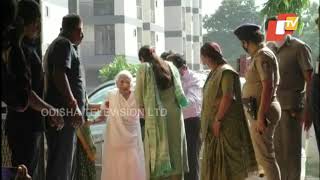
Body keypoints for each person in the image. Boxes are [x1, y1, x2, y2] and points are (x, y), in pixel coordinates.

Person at [5, 1, 64, 179]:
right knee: (25, 173)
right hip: (24, 127)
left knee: (29, 172)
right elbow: (27, 94)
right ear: (24, 22)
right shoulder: (20, 51)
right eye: (35, 21)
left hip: (30, 125)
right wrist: (50, 110)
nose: (38, 26)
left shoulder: (26, 49)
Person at [199, 42, 257, 180]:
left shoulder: (226, 72)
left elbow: (227, 96)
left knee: (229, 166)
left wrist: (218, 120)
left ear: (206, 57)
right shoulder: (213, 72)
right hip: (212, 128)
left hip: (225, 127)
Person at [265, 17, 314, 180]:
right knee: (276, 155)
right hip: (272, 111)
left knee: (291, 155)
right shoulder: (269, 48)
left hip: (292, 110)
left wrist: (308, 111)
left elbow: (310, 82)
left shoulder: (299, 48)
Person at [234, 24, 281, 180]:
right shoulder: (258, 55)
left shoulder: (262, 56)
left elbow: (268, 86)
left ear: (247, 42)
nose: (243, 46)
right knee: (263, 158)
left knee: (266, 158)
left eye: (243, 43)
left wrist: (261, 116)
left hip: (263, 111)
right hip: (259, 110)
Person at [135, 46, 189, 180]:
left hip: (157, 117)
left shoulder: (144, 68)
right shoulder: (170, 66)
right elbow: (179, 92)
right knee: (176, 152)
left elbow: (138, 98)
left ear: (142, 59)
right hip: (175, 116)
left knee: (157, 153)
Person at [43, 14, 85, 180]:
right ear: (75, 29)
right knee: (61, 167)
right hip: (64, 117)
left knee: (63, 165)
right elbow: (59, 74)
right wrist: (74, 106)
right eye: (80, 30)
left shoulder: (60, 45)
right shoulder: (63, 44)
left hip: (64, 117)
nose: (82, 35)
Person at [88, 70, 146, 180]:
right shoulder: (111, 95)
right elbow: (103, 116)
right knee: (114, 169)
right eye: (121, 81)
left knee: (132, 168)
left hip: (131, 142)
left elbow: (144, 114)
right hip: (115, 141)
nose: (124, 84)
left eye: (127, 82)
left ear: (132, 83)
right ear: (116, 83)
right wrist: (92, 122)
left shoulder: (137, 96)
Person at [166, 53, 202, 180]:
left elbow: (192, 101)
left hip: (191, 122)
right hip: (175, 123)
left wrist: (173, 105)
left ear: (183, 68)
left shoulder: (193, 78)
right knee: (177, 162)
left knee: (191, 161)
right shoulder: (171, 78)